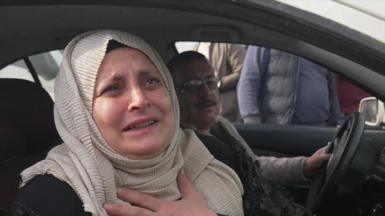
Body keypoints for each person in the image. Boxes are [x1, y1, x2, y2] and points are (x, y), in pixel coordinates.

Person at [8, 30, 244, 216]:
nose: (139, 100)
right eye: (112, 88)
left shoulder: (212, 156)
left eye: (151, 81)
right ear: (81, 114)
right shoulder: (50, 198)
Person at [237, 46, 344, 126]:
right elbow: (248, 82)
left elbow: (331, 90)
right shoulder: (268, 36)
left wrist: (338, 122)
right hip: (280, 129)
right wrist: (252, 121)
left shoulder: (319, 42)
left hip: (318, 130)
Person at [195, 42, 245, 122]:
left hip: (228, 114)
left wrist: (218, 83)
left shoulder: (230, 44)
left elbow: (242, 73)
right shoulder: (198, 46)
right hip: (201, 112)